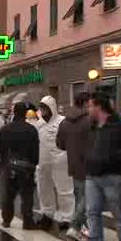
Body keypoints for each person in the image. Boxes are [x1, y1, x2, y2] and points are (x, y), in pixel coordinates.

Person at [79, 92, 121, 241]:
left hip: (112, 176)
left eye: (90, 105)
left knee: (118, 215)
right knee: (92, 213)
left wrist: (115, 159)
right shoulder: (91, 126)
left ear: (99, 106)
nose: (88, 108)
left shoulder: (119, 125)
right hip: (92, 175)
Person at [0, 102, 39, 229]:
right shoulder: (31, 129)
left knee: (8, 196)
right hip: (26, 166)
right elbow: (35, 149)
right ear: (25, 113)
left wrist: (5, 161)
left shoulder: (5, 129)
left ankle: (7, 220)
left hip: (8, 166)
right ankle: (27, 220)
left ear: (14, 112)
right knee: (27, 196)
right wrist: (33, 164)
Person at [35, 95, 75, 230]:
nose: (43, 110)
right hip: (42, 161)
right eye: (41, 107)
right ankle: (47, 214)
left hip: (60, 161)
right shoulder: (39, 123)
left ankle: (67, 217)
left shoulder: (62, 121)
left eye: (45, 107)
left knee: (64, 189)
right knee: (44, 189)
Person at [57, 92, 91, 241]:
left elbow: (60, 144)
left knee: (79, 197)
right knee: (86, 199)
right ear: (84, 103)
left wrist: (72, 148)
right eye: (90, 103)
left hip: (74, 164)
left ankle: (84, 228)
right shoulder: (90, 121)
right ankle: (76, 226)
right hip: (90, 165)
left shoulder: (65, 122)